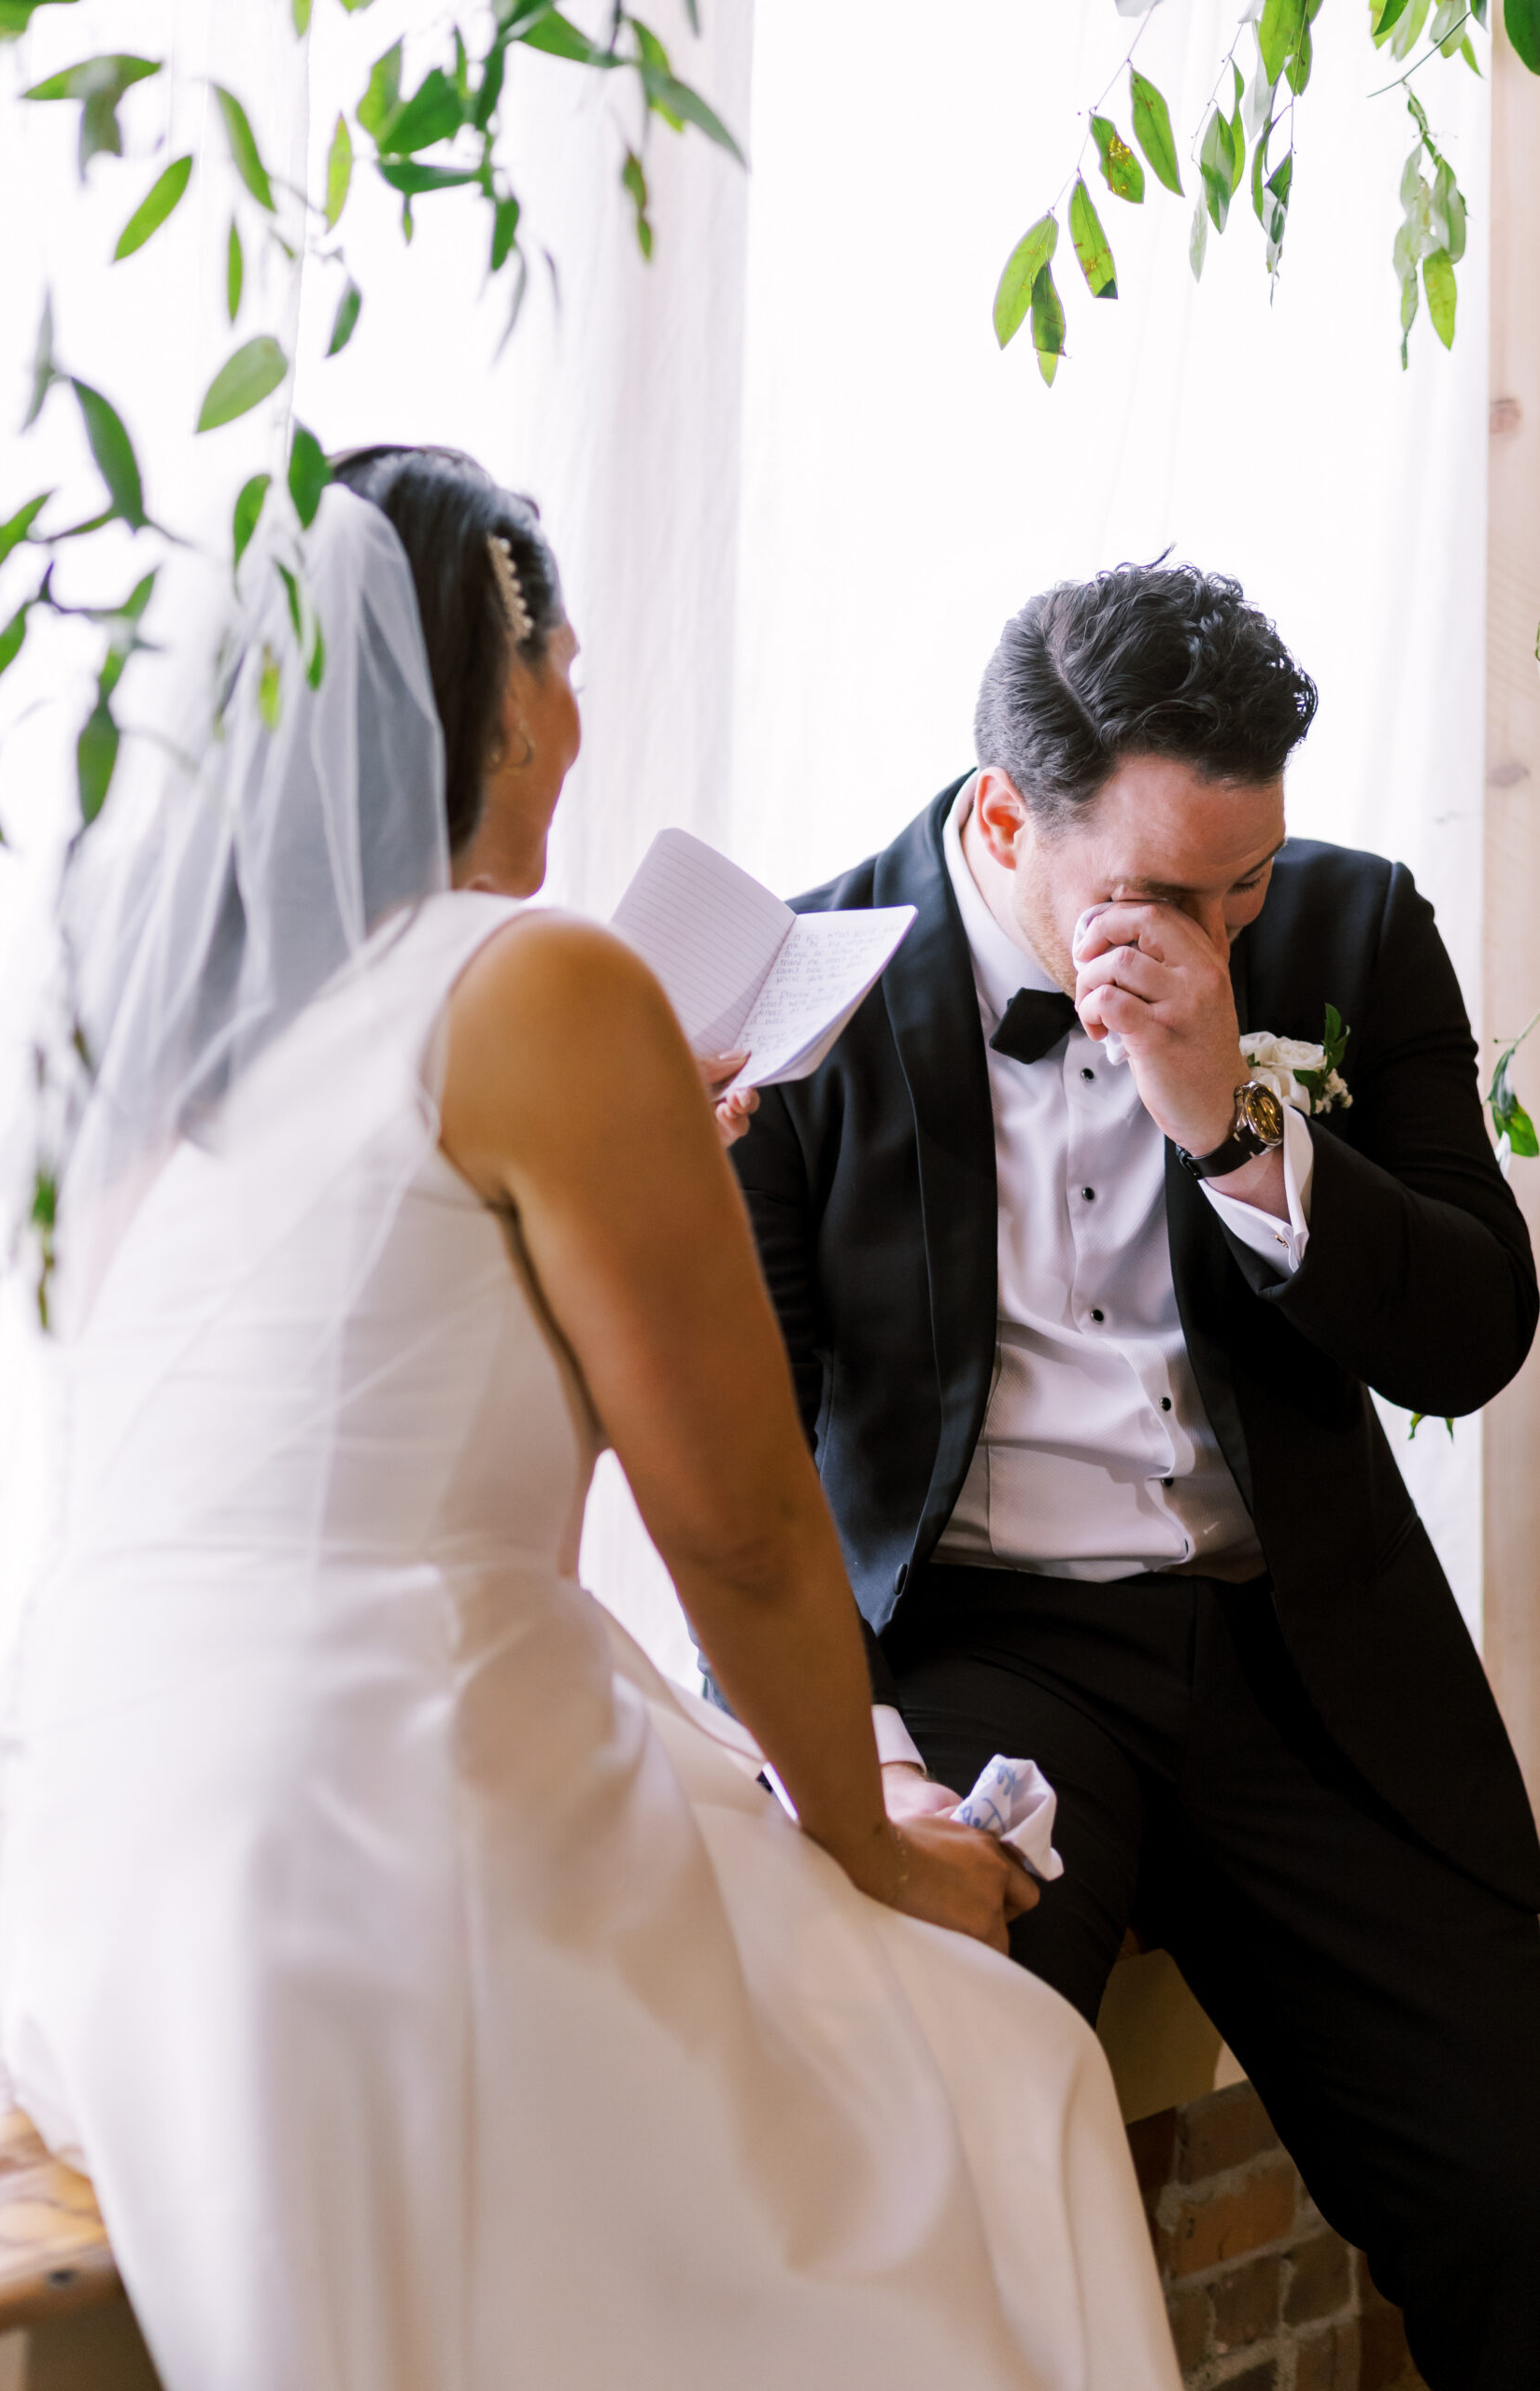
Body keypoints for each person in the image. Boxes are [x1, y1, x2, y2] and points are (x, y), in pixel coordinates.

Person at [0, 452, 1180, 2391]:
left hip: (113, 1860)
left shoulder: (200, 1026)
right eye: (571, 658)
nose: (582, 719)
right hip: (365, 1827)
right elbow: (744, 1532)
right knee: (1005, 2067)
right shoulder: (537, 978)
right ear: (505, 681)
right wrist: (877, 1851)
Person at [730, 562, 1540, 2391]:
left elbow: (1475, 1331)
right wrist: (855, 1754)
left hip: (1294, 1645)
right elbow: (747, 1462)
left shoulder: (1343, 931)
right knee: (925, 2179)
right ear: (1005, 816)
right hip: (976, 1658)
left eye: (1244, 878)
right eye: (1166, 893)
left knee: (1517, 2179)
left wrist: (1232, 1122)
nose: (1223, 931)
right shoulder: (806, 992)